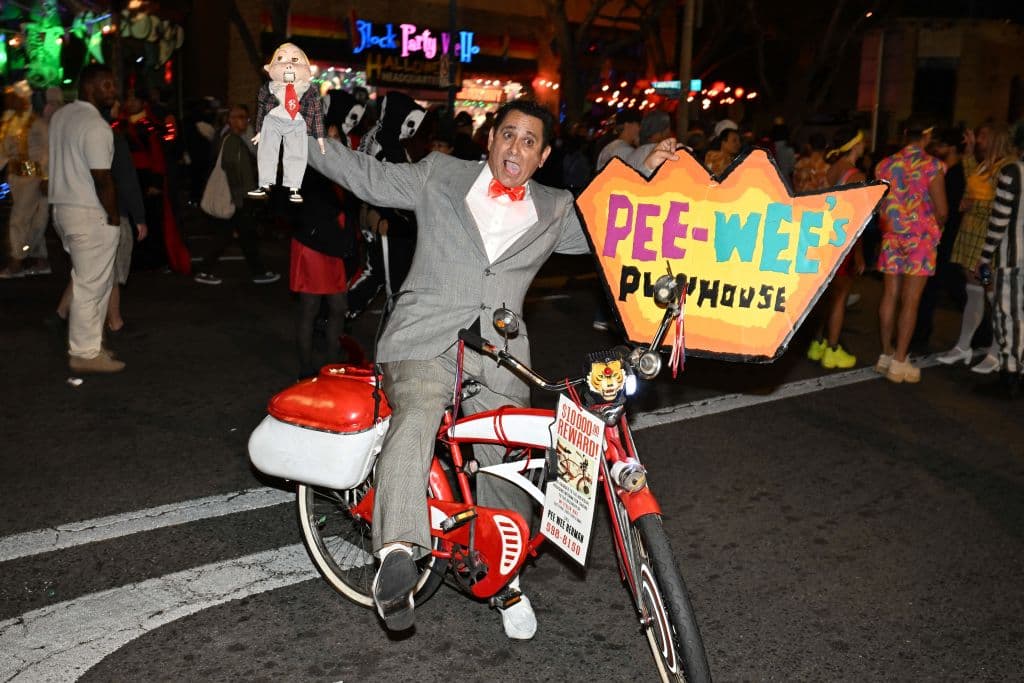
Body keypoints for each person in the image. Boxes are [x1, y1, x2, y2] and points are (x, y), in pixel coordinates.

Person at [306, 98, 678, 638]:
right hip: (424, 339)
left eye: (530, 142)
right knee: (417, 412)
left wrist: (653, 167)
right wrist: (298, 134)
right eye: (509, 135)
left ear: (544, 155)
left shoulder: (555, 208)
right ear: (491, 139)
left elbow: (619, 217)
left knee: (508, 460)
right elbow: (364, 174)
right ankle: (396, 552)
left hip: (500, 354)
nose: (516, 149)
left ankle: (504, 583)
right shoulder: (440, 174)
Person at [48, 63, 124, 373]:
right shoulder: (96, 126)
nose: (113, 90)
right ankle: (85, 352)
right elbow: (102, 178)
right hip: (89, 212)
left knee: (89, 280)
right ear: (90, 87)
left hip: (63, 209)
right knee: (92, 284)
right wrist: (114, 217)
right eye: (107, 85)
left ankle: (91, 343)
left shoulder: (61, 117)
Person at [874, 123, 948, 383]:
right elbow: (942, 210)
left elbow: (880, 202)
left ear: (904, 135)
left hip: (892, 236)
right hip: (920, 239)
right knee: (911, 300)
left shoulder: (884, 165)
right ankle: (900, 361)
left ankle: (886, 354)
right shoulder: (932, 166)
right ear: (926, 137)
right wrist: (938, 224)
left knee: (889, 294)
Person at [939, 123, 1016, 372]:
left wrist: (974, 206)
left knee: (992, 295)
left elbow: (1004, 205)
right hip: (970, 238)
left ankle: (997, 350)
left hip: (987, 241)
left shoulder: (1007, 167)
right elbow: (972, 181)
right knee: (974, 292)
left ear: (995, 137)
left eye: (983, 135)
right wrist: (965, 202)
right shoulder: (985, 164)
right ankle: (964, 346)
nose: (979, 139)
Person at [194, 105, 279, 285]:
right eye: (239, 117)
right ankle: (257, 272)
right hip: (238, 199)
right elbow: (231, 168)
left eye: (245, 117)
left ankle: (257, 272)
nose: (244, 121)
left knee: (241, 236)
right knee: (240, 236)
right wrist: (239, 196)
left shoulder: (237, 140)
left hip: (240, 198)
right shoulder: (233, 140)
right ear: (230, 120)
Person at [805, 128, 867, 370]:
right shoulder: (856, 175)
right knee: (840, 295)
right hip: (844, 239)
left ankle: (817, 343)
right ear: (855, 145)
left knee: (827, 295)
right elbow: (859, 217)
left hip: (825, 238)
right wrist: (859, 252)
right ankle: (832, 348)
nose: (865, 146)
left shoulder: (831, 170)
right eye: (862, 142)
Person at [976, 123, 1024, 398]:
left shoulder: (1013, 172)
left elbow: (999, 220)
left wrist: (985, 257)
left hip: (1014, 259)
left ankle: (1009, 373)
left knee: (1008, 315)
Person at [914, 127, 967, 349]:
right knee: (941, 289)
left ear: (952, 148)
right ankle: (920, 335)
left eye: (941, 145)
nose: (936, 149)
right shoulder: (943, 171)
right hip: (940, 237)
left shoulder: (956, 173)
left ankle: (920, 337)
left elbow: (946, 211)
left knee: (951, 289)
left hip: (948, 238)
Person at [0, 81, 50, 279]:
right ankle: (41, 260)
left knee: (19, 219)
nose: (8, 100)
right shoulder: (7, 123)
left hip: (34, 178)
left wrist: (46, 176)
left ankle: (16, 262)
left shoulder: (37, 122)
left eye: (13, 96)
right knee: (34, 219)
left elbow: (48, 150)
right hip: (14, 178)